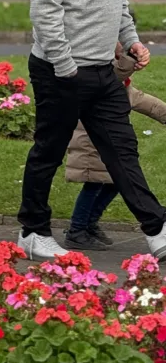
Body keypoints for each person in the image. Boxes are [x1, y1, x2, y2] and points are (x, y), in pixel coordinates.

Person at [18, 0, 166, 260]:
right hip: (60, 71)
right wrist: (66, 68)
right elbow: (44, 12)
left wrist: (131, 41)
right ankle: (33, 231)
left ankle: (157, 231)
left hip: (102, 71)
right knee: (48, 150)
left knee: (122, 150)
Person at [64, 30, 166, 251]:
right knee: (93, 185)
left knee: (116, 184)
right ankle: (77, 229)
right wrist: (129, 59)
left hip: (105, 144)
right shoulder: (99, 70)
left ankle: (89, 224)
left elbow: (142, 100)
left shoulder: (118, 83)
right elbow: (115, 76)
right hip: (90, 142)